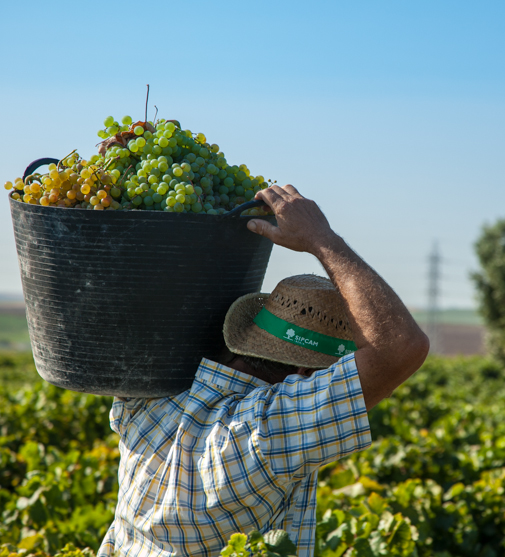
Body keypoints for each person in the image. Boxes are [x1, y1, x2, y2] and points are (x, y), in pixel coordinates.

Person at [98, 185, 429, 557]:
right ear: (306, 373)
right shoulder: (267, 434)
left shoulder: (149, 390)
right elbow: (401, 348)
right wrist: (321, 239)